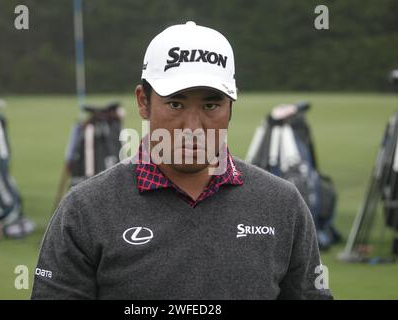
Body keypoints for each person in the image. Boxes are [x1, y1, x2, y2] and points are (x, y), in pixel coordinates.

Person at [31, 21, 333, 299]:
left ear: (230, 106)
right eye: (175, 103)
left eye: (211, 105)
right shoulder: (85, 211)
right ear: (142, 102)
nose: (193, 127)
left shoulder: (282, 205)